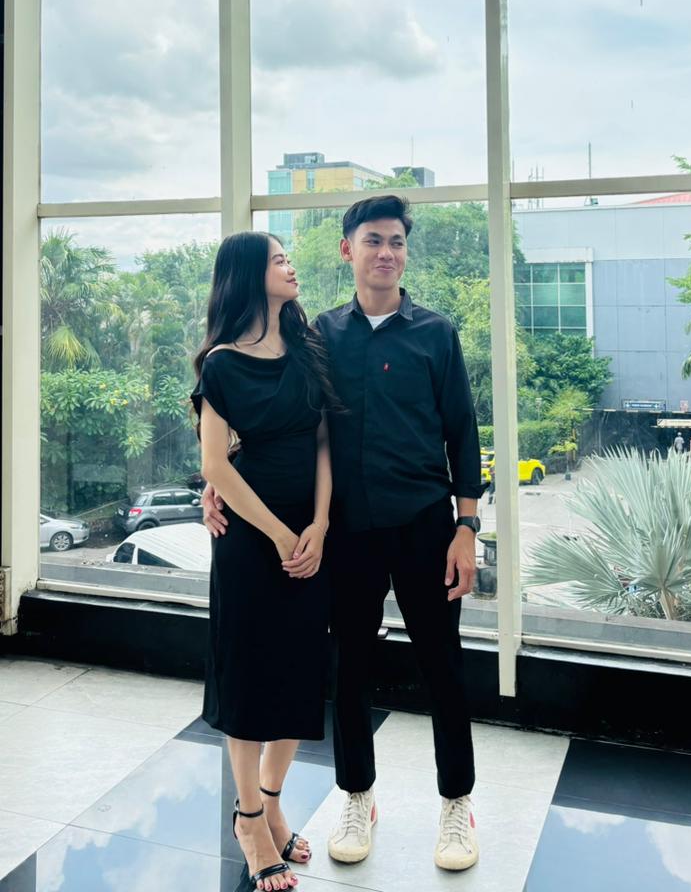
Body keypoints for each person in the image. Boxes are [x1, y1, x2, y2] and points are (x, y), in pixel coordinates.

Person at [203, 196, 483, 873]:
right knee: (349, 666)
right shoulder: (317, 335)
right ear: (347, 250)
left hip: (424, 523)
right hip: (347, 531)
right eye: (373, 240)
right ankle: (357, 797)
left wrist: (467, 525)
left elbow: (463, 431)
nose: (386, 252)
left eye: (397, 242)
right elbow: (276, 412)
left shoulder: (437, 333)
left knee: (442, 665)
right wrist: (218, 477)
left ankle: (457, 804)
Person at [192, 231, 335, 892]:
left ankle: (273, 802)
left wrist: (320, 524)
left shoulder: (307, 347)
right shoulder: (221, 365)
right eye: (279, 259)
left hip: (311, 534)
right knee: (249, 677)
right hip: (252, 542)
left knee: (299, 673)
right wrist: (280, 534)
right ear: (250, 275)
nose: (291, 266)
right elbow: (216, 464)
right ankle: (250, 819)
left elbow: (324, 442)